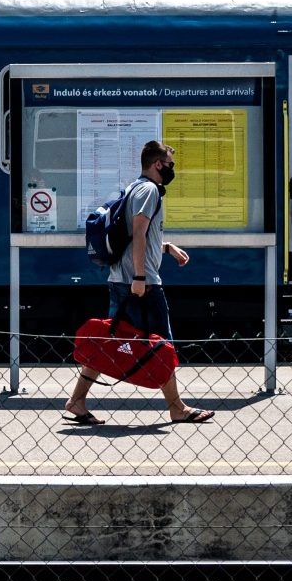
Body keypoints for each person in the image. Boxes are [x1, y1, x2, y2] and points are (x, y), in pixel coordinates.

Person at [63, 140, 211, 426]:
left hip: (122, 278)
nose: (171, 169)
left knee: (110, 339)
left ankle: (77, 400)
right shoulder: (150, 190)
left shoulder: (134, 187)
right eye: (170, 164)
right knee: (163, 344)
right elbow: (140, 232)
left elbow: (133, 233)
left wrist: (166, 247)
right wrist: (141, 277)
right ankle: (177, 408)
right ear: (157, 164)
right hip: (141, 284)